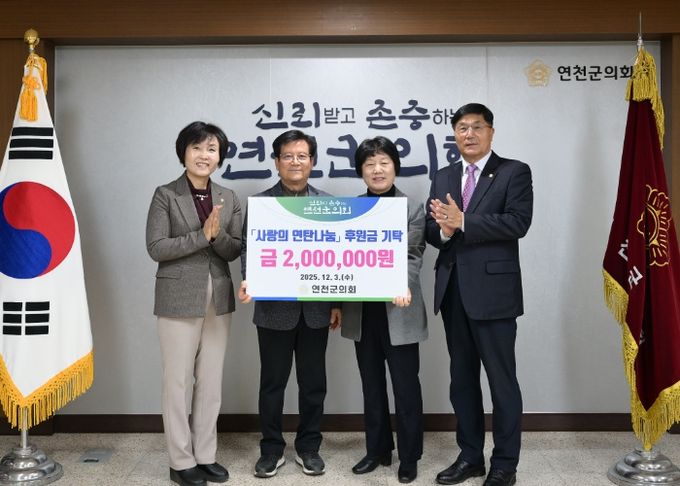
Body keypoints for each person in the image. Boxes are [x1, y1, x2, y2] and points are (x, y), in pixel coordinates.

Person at [425, 103, 533, 486]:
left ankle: (505, 464)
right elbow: (431, 230)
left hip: (494, 294)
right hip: (453, 292)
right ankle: (470, 456)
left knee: (502, 383)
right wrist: (445, 231)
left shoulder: (513, 171)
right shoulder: (443, 175)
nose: (468, 134)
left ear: (490, 132)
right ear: (454, 134)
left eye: (476, 127)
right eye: (462, 128)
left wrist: (464, 221)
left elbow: (518, 222)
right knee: (462, 381)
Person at [238, 129, 342, 478]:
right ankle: (271, 450)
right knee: (272, 385)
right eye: (288, 156)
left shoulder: (327, 204)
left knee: (313, 385)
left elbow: (337, 256)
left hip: (316, 310)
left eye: (302, 156)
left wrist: (336, 302)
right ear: (276, 162)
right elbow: (249, 248)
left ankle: (309, 447)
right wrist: (250, 279)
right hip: (273, 310)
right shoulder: (262, 204)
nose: (295, 162)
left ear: (312, 161)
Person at [146, 121, 242, 486]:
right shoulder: (165, 195)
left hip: (219, 296)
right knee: (178, 382)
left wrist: (215, 238)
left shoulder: (228, 196)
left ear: (220, 156)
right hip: (177, 296)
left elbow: (234, 249)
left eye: (211, 149)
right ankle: (180, 460)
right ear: (184, 152)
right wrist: (202, 236)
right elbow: (156, 247)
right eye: (197, 147)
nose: (204, 155)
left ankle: (205, 455)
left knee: (211, 382)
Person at [341, 136, 427, 484]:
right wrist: (336, 303)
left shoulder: (412, 208)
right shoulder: (351, 209)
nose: (377, 170)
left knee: (406, 388)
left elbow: (413, 253)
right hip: (363, 313)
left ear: (395, 167)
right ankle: (377, 450)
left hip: (399, 310)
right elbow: (340, 261)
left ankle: (409, 455)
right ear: (361, 171)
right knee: (371, 385)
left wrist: (401, 284)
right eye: (369, 164)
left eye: (384, 163)